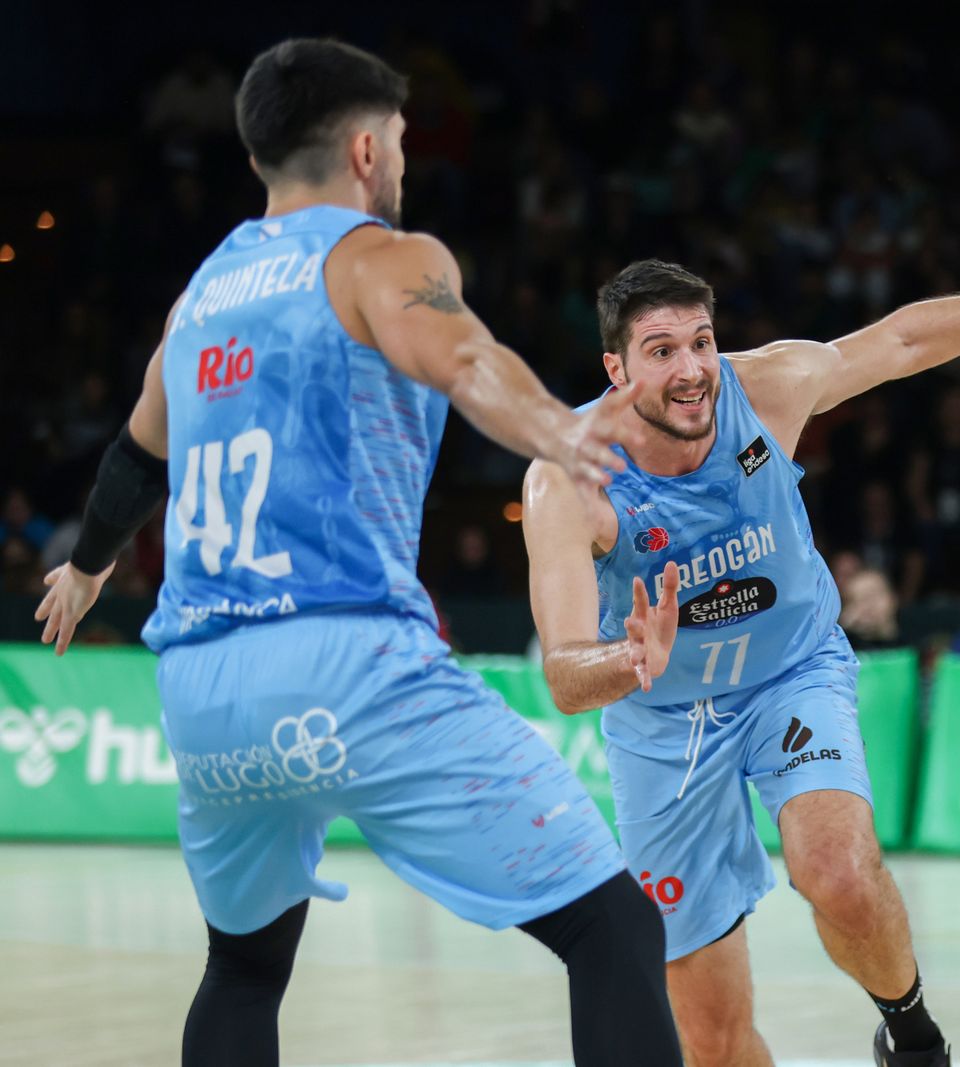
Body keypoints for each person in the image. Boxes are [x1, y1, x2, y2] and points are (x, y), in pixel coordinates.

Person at [32, 38, 680, 1067]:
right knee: (614, 927)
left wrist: (86, 565)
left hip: (201, 687)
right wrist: (557, 427)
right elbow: (464, 355)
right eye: (407, 143)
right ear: (369, 150)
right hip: (346, 663)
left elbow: (131, 458)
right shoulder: (384, 256)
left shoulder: (196, 300)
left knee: (242, 968)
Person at [519, 186, 960, 1067]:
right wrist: (627, 655)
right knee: (710, 1040)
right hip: (662, 719)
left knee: (839, 873)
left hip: (792, 672)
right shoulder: (568, 478)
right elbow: (561, 675)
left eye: (701, 342)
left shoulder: (768, 386)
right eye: (660, 351)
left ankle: (910, 1029)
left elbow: (904, 338)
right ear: (616, 370)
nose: (691, 368)